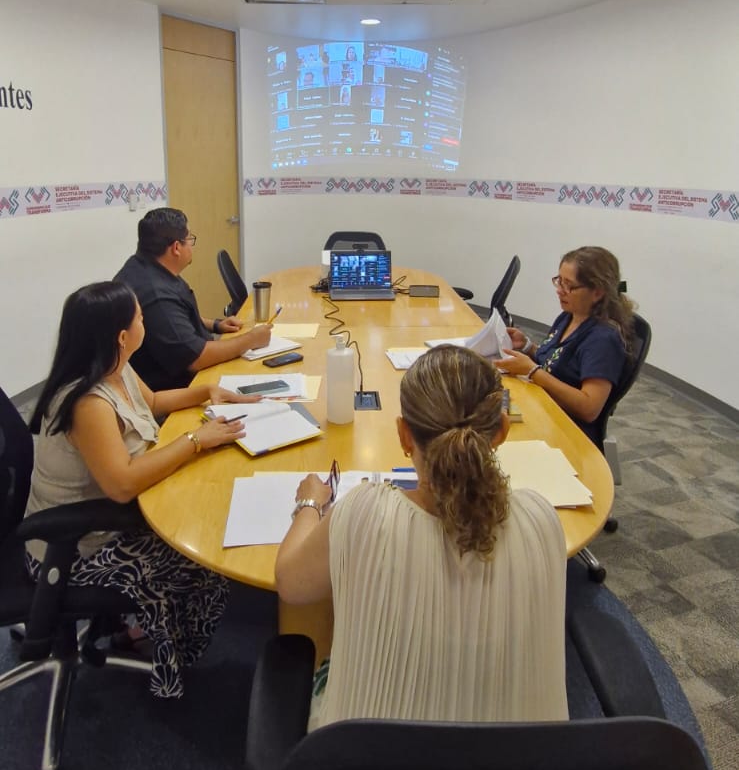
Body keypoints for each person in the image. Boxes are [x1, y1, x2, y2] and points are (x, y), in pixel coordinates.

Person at [275, 346, 568, 729]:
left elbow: (292, 585)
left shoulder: (362, 514)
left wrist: (309, 503)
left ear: (403, 435)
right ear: (501, 431)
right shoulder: (543, 522)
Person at [27, 281, 248, 698]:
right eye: (140, 317)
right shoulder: (88, 402)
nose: (145, 320)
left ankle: (139, 628)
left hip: (103, 521)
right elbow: (123, 485)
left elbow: (153, 401)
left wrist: (206, 392)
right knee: (202, 551)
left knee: (202, 508)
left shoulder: (114, 364)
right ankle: (157, 645)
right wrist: (196, 440)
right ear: (123, 336)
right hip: (74, 546)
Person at [114, 207, 270, 391]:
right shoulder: (156, 295)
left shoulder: (146, 265)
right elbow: (195, 359)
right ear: (176, 248)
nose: (192, 245)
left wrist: (215, 325)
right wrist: (250, 340)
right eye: (189, 239)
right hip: (176, 388)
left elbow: (177, 317)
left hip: (187, 367)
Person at [495, 246, 634, 446]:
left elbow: (589, 408)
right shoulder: (569, 316)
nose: (560, 291)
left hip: (567, 430)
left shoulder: (603, 340)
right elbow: (557, 362)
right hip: (545, 406)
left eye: (569, 285)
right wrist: (527, 347)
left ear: (597, 292)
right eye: (559, 281)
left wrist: (533, 372)